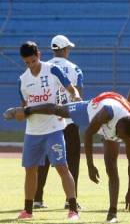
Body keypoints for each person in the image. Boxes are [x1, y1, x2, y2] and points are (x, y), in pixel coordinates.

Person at [5, 92, 130, 223]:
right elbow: (88, 135)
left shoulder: (128, 137)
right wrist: (90, 166)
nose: (119, 138)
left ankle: (112, 213)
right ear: (120, 125)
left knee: (111, 168)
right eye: (120, 135)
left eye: (122, 138)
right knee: (58, 110)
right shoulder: (107, 112)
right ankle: (28, 110)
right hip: (91, 110)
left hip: (113, 123)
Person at [13, 41, 81, 220]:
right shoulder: (22, 80)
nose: (31, 65)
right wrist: (20, 114)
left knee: (62, 167)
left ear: (39, 55)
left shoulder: (52, 70)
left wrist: (76, 96)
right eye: (27, 63)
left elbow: (70, 88)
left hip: (54, 128)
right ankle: (28, 210)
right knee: (30, 170)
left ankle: (73, 209)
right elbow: (25, 108)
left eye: (33, 61)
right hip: (32, 132)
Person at [33, 35, 84, 209]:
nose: (69, 50)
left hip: (49, 120)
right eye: (68, 48)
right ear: (64, 49)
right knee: (73, 160)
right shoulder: (75, 69)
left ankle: (37, 199)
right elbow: (79, 96)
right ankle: (71, 201)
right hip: (69, 119)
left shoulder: (44, 68)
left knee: (44, 159)